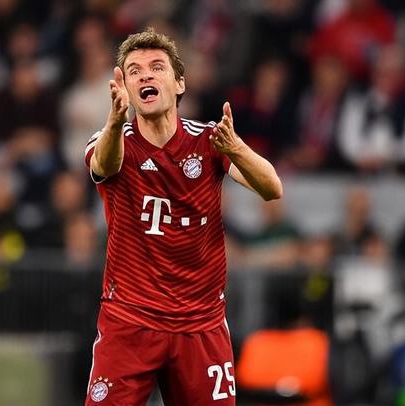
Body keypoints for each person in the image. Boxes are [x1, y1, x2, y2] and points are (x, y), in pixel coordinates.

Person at [83, 28, 282, 405]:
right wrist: (114, 121)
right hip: (130, 321)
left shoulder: (209, 141)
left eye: (157, 67)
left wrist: (236, 148)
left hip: (200, 325)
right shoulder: (112, 140)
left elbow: (272, 188)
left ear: (179, 84)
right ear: (124, 87)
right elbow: (104, 165)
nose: (145, 75)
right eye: (134, 71)